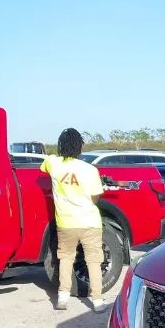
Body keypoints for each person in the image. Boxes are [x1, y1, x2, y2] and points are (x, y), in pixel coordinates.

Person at [40, 128, 106, 312]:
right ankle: (98, 301)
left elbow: (44, 164)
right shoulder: (90, 170)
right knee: (93, 261)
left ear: (61, 145)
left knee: (65, 259)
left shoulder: (53, 164)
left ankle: (62, 298)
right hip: (90, 222)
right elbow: (95, 197)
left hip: (65, 223)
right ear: (80, 147)